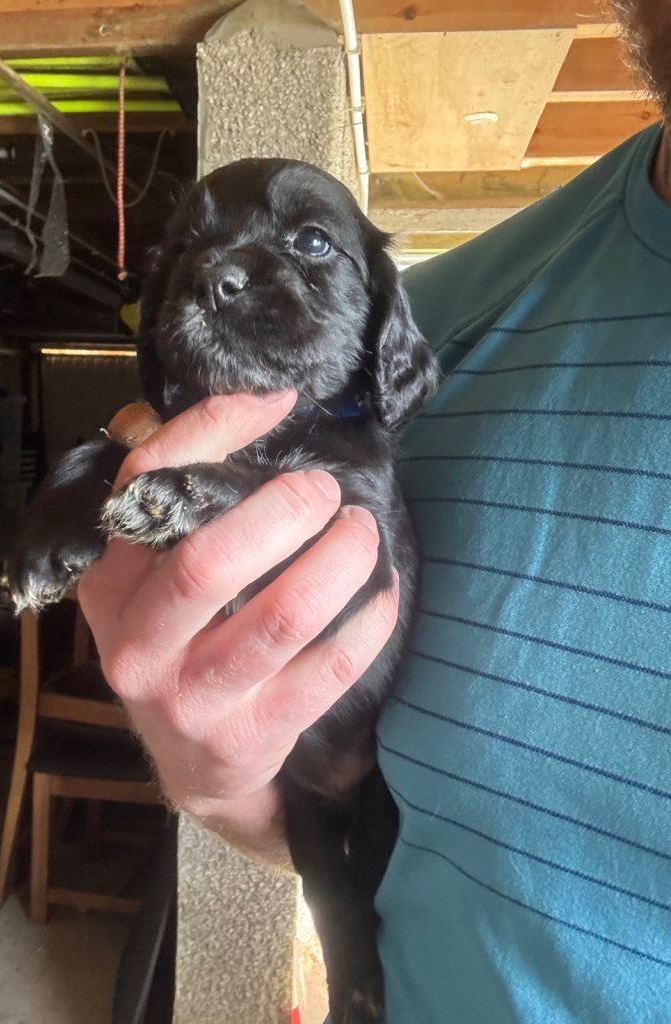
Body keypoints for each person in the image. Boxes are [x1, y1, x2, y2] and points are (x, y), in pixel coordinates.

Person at [79, 3, 671, 1019]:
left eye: (308, 242)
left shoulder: (387, 336)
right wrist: (221, 773)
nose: (226, 274)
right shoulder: (430, 330)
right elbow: (380, 819)